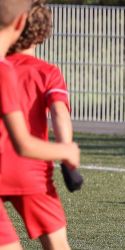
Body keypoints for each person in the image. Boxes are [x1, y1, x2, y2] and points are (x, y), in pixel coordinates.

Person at [0, 1, 80, 249]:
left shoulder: (6, 67)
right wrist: (67, 150)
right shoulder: (47, 72)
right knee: (58, 244)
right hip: (31, 171)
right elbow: (59, 113)